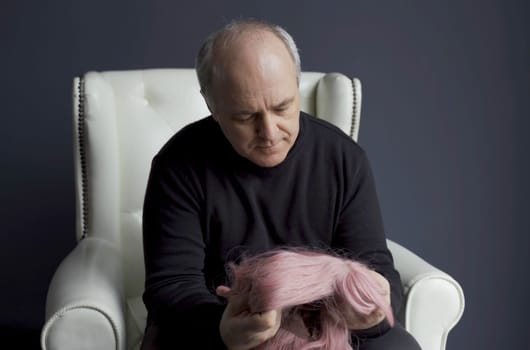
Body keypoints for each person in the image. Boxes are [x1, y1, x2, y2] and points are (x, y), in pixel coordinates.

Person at [141, 19, 421, 350]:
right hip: (216, 326)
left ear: (296, 86)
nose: (270, 133)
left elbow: (377, 270)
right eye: (245, 117)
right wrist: (223, 328)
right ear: (211, 104)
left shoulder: (343, 159)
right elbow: (170, 288)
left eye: (282, 108)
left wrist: (369, 309)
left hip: (325, 326)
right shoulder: (178, 165)